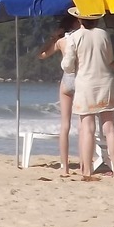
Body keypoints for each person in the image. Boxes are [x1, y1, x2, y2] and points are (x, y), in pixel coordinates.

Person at [62, 9, 114, 180]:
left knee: (87, 129)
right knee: (109, 129)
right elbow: (109, 59)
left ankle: (87, 171)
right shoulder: (103, 35)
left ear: (80, 19)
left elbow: (67, 65)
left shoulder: (75, 37)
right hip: (106, 83)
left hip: (86, 84)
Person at [37, 12, 79, 175]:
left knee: (65, 124)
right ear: (76, 23)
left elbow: (41, 55)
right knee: (85, 124)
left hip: (67, 80)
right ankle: (85, 165)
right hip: (82, 79)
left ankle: (65, 167)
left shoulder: (62, 41)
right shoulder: (83, 38)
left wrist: (53, 38)